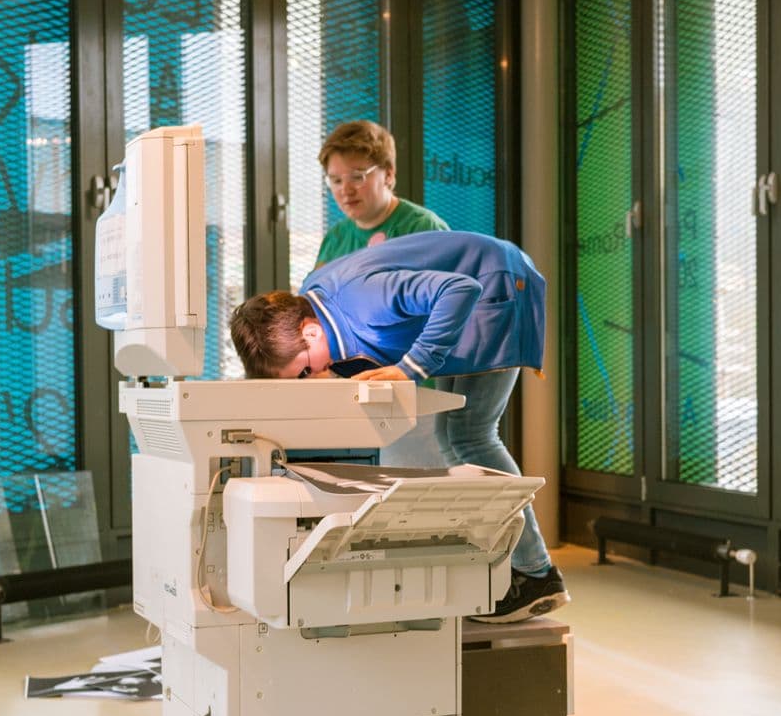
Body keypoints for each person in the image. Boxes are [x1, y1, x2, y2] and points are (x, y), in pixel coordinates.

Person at [229, 231, 568, 623]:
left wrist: (411, 368)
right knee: (450, 436)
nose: (312, 376)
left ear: (309, 330)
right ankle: (515, 565)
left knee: (473, 436)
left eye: (305, 370)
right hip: (472, 296)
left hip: (498, 284)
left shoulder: (364, 302)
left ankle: (537, 572)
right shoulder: (314, 300)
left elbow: (460, 288)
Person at [311, 120, 447, 272]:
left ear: (388, 174)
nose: (346, 190)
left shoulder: (423, 228)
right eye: (336, 180)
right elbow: (314, 293)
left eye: (357, 177)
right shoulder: (335, 238)